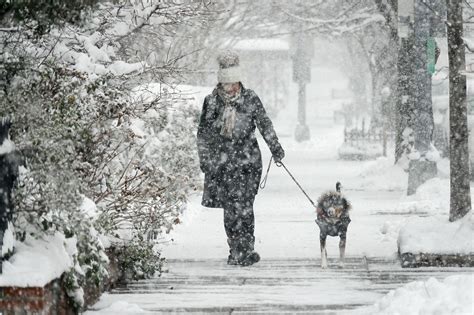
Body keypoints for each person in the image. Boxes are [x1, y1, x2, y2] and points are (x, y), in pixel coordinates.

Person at [197, 50, 285, 266]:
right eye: (228, 84)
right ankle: (235, 248)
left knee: (245, 206)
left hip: (247, 162)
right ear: (221, 83)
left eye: (235, 83)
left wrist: (275, 147)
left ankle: (247, 248)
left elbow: (264, 123)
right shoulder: (212, 103)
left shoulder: (250, 98)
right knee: (230, 209)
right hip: (222, 165)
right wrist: (206, 160)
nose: (232, 87)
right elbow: (204, 134)